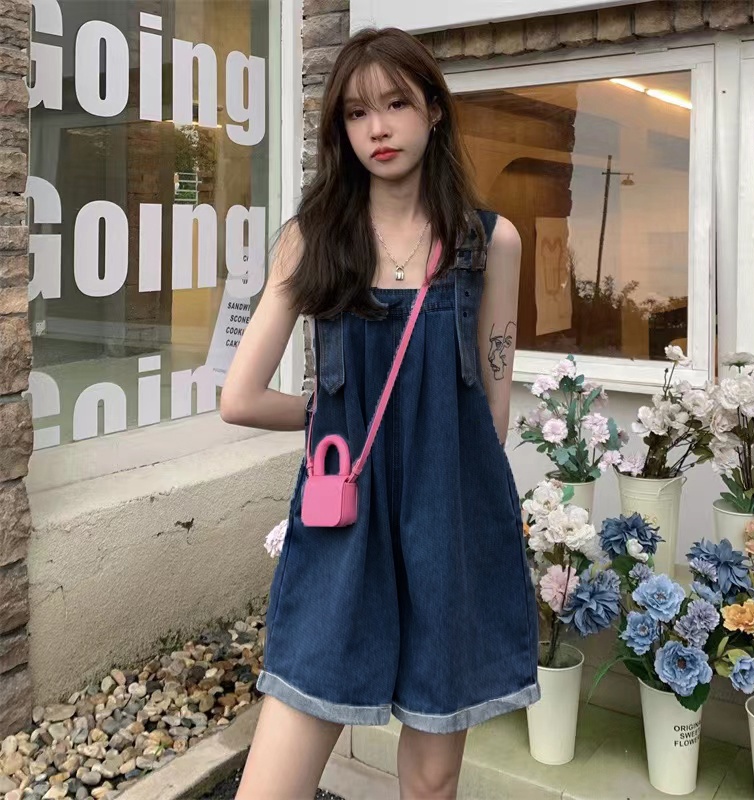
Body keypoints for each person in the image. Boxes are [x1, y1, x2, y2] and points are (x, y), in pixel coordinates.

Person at [221, 26, 539, 800]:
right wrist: (335, 417)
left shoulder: (490, 242)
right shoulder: (313, 242)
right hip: (343, 530)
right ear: (342, 130)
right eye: (358, 113)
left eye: (396, 104)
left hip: (451, 523)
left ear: (434, 109)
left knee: (432, 782)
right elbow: (240, 397)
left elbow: (491, 416)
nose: (379, 128)